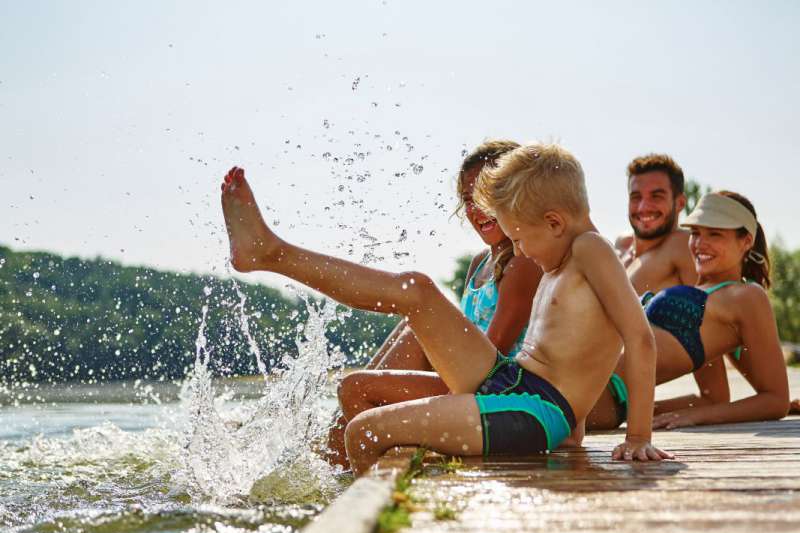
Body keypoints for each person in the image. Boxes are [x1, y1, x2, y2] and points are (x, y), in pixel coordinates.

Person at [220, 142, 672, 476]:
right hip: (513, 380)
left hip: (535, 410)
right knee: (417, 289)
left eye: (520, 238)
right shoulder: (562, 256)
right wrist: (575, 430)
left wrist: (638, 438)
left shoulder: (592, 249)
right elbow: (575, 346)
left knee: (364, 431)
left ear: (554, 221)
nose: (519, 250)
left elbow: (638, 337)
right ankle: (270, 252)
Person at [326, 141, 542, 466]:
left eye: (488, 194)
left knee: (358, 387)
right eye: (468, 199)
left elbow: (492, 361)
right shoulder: (480, 264)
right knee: (412, 327)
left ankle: (340, 471)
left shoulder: (522, 263)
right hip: (468, 382)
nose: (476, 208)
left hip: (496, 395)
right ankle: (331, 460)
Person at [589, 191, 789, 430]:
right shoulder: (705, 296)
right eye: (695, 233)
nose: (699, 243)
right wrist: (655, 411)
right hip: (590, 381)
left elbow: (776, 400)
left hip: (600, 392)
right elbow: (712, 397)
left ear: (746, 241)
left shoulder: (747, 296)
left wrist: (696, 417)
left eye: (714, 234)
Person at [594, 154, 729, 429]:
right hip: (573, 366)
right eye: (635, 196)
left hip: (605, 391)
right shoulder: (619, 247)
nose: (644, 206)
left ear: (680, 202)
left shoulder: (682, 248)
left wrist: (642, 410)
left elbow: (708, 332)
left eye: (657, 196)